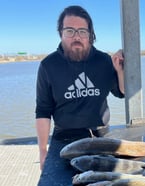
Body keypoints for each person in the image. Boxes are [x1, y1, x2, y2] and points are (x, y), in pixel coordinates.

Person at [35, 5, 124, 170]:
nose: (77, 36)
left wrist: (120, 71)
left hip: (101, 135)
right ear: (60, 33)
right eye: (70, 30)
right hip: (64, 137)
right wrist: (42, 150)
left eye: (82, 31)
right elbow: (43, 111)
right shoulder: (48, 66)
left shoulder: (104, 61)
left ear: (91, 35)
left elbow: (122, 92)